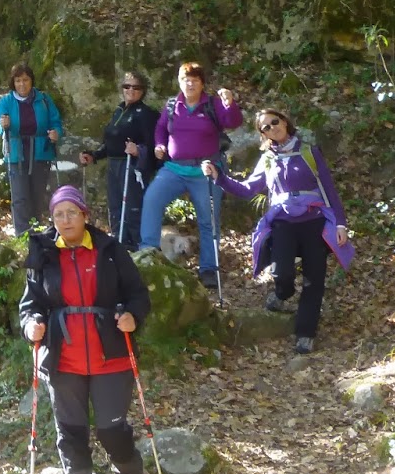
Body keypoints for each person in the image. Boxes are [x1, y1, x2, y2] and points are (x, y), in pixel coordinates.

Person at [20, 185, 156, 474]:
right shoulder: (44, 253)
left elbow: (138, 294)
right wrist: (31, 324)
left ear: (84, 215)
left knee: (111, 428)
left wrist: (132, 317)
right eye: (58, 215)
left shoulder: (110, 251)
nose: (65, 220)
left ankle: (130, 468)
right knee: (71, 430)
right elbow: (30, 304)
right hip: (63, 358)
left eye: (71, 213)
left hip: (110, 355)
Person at [203, 108, 354, 354]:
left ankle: (305, 333)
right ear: (263, 134)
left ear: (285, 121)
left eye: (275, 122)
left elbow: (328, 190)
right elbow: (248, 189)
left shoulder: (309, 152)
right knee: (281, 272)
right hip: (283, 222)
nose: (272, 128)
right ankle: (282, 293)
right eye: (266, 127)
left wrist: (340, 224)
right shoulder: (268, 159)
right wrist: (219, 177)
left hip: (313, 221)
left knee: (313, 280)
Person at [137, 62, 243, 289]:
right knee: (152, 200)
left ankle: (208, 269)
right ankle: (148, 254)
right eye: (185, 79)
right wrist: (159, 145)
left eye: (195, 79)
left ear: (202, 83)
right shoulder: (172, 105)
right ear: (179, 81)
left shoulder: (213, 104)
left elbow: (233, 122)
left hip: (206, 170)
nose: (190, 83)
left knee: (208, 220)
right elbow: (161, 129)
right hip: (174, 169)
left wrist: (230, 104)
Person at [79, 71, 159, 251]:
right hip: (114, 164)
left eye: (136, 87)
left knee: (132, 208)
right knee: (115, 207)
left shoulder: (146, 114)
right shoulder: (119, 110)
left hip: (132, 166)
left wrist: (138, 150)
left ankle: (140, 250)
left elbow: (155, 145)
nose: (130, 90)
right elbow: (110, 143)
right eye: (126, 86)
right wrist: (94, 155)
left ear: (143, 91)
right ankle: (119, 246)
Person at [0, 63, 65, 236]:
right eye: (18, 80)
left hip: (41, 151)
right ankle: (23, 235)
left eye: (25, 80)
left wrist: (57, 133)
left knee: (37, 195)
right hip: (16, 153)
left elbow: (55, 122)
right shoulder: (6, 101)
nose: (22, 84)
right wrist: (2, 126)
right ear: (13, 83)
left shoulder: (44, 100)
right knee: (19, 196)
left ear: (32, 81)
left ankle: (37, 232)